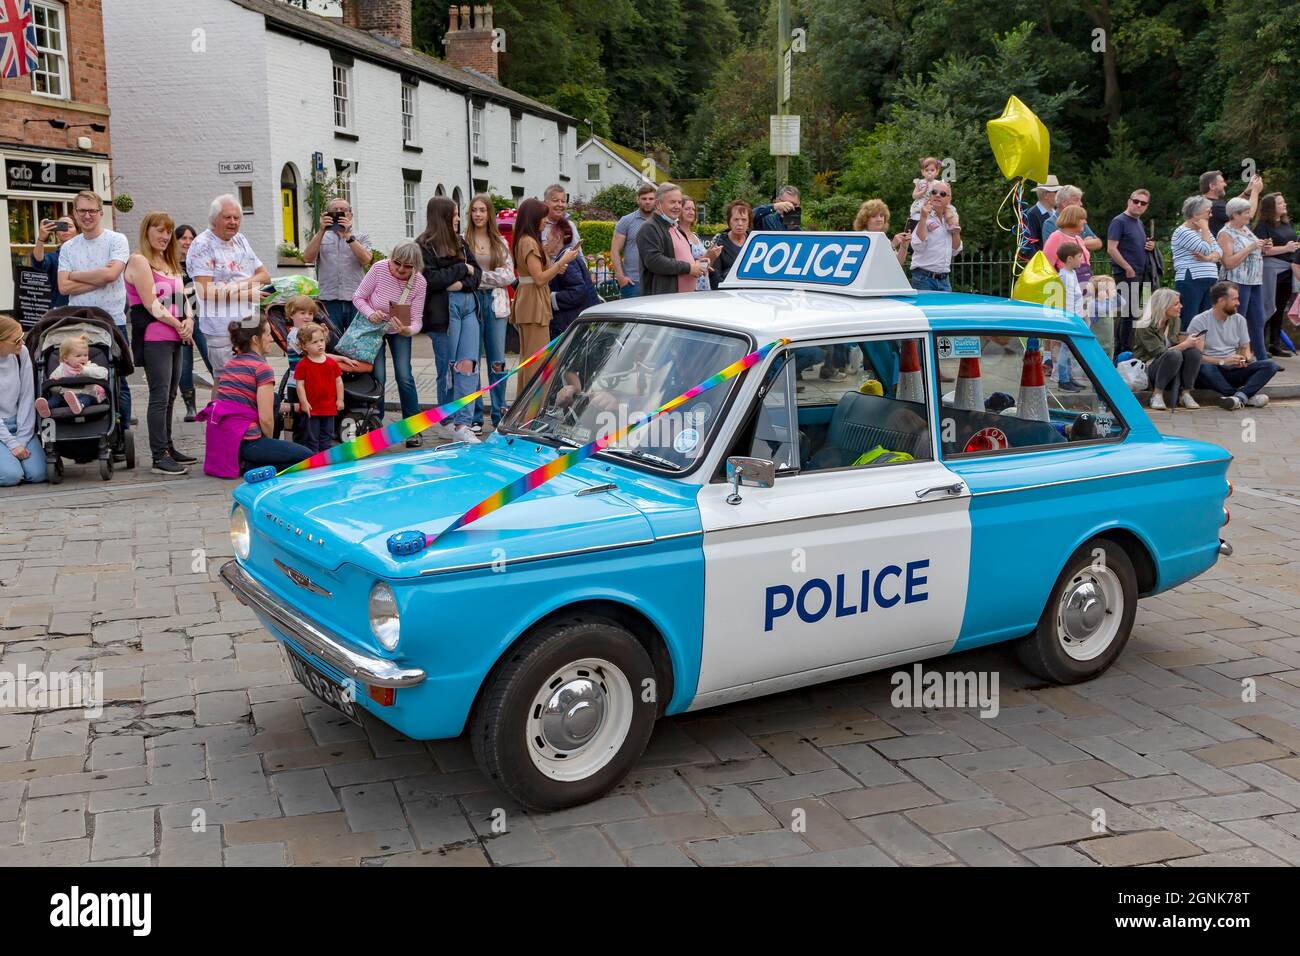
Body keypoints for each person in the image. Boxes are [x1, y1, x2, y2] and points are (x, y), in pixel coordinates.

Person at [124, 211, 195, 475]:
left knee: (171, 395)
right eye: (159, 230)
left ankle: (168, 446)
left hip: (176, 336)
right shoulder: (139, 261)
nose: (165, 236)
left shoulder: (169, 261)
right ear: (147, 231)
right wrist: (178, 324)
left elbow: (183, 297)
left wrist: (189, 319)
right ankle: (159, 455)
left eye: (168, 231)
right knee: (159, 395)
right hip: (156, 338)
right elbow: (150, 303)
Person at [57, 190, 131, 425]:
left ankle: (122, 429)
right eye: (82, 211)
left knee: (117, 377)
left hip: (112, 320)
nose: (87, 216)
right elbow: (63, 286)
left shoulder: (116, 240)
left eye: (92, 211)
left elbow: (111, 275)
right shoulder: (69, 247)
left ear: (101, 212)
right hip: (79, 322)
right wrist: (100, 275)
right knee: (78, 376)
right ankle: (90, 429)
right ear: (75, 214)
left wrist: (75, 276)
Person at [206, 315, 311, 474]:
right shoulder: (261, 368)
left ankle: (245, 461)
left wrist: (294, 407)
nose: (270, 339)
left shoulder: (230, 364)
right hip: (247, 442)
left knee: (274, 398)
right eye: (268, 335)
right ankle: (248, 465)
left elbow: (241, 403)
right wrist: (268, 444)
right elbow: (266, 418)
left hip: (225, 440)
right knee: (307, 458)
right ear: (255, 339)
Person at [417, 196, 483, 444]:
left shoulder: (461, 243)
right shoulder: (423, 246)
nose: (458, 218)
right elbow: (430, 279)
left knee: (468, 366)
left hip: (468, 307)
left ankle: (463, 423)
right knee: (447, 369)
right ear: (443, 217)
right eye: (455, 214)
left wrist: (457, 282)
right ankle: (447, 419)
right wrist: (461, 270)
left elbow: (478, 275)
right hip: (444, 314)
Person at [187, 195, 269, 384]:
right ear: (214, 219)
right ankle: (219, 414)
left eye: (237, 218)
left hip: (248, 322)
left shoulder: (240, 240)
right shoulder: (202, 244)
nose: (233, 222)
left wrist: (235, 287)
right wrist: (247, 292)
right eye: (227, 217)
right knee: (226, 381)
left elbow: (264, 275)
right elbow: (204, 291)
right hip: (221, 328)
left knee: (251, 378)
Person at [352, 240, 427, 443]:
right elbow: (358, 297)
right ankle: (375, 425)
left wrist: (407, 330)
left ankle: (412, 427)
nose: (401, 269)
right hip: (374, 328)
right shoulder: (378, 268)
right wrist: (370, 313)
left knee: (404, 376)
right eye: (397, 263)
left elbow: (418, 319)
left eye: (408, 266)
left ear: (416, 266)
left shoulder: (419, 282)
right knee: (379, 377)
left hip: (399, 331)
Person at [464, 194, 515, 433]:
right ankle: (475, 416)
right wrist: (478, 279)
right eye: (474, 210)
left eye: (482, 210)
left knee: (497, 362)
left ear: (489, 213)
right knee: (471, 361)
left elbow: (508, 275)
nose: (478, 215)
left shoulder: (499, 242)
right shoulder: (463, 240)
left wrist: (479, 277)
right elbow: (460, 274)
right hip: (471, 304)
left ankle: (498, 412)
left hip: (495, 304)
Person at [1185, 281, 1278, 409]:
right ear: (1222, 301)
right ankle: (1243, 397)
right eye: (1235, 299)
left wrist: (1243, 359)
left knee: (1270, 365)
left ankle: (1238, 398)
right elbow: (1196, 357)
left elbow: (1245, 350)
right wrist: (1223, 361)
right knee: (1205, 368)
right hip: (1210, 372)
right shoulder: (1200, 321)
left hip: (1233, 370)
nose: (1238, 303)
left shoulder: (1239, 320)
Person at [511, 197, 580, 358]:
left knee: (530, 357)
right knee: (536, 359)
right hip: (533, 303)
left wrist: (556, 268)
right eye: (543, 217)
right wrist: (562, 261)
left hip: (531, 300)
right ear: (534, 218)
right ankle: (534, 385)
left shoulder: (526, 240)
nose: (546, 221)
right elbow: (539, 278)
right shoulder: (528, 242)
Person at [302, 198, 373, 331]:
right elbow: (307, 258)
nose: (339, 213)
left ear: (350, 215)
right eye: (335, 210)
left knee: (356, 344)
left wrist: (348, 236)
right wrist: (321, 231)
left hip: (356, 299)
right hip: (329, 299)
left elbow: (366, 260)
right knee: (333, 341)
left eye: (343, 210)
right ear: (327, 214)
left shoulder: (362, 236)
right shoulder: (320, 236)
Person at [1132, 288, 1202, 410]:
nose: (1181, 306)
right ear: (1163, 306)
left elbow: (1173, 344)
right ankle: (1157, 394)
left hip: (1170, 364)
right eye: (1176, 304)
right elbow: (1159, 352)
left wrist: (1189, 343)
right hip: (1149, 367)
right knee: (1174, 354)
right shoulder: (1144, 325)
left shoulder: (1175, 320)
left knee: (1194, 353)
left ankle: (1186, 394)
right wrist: (1185, 344)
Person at [1217, 197, 1268, 363]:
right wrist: (1251, 247)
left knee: (1257, 320)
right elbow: (1228, 262)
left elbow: (1253, 252)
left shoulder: (1245, 229)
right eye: (1246, 213)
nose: (1249, 216)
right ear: (1235, 214)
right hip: (1237, 282)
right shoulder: (1226, 233)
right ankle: (1236, 357)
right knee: (1238, 320)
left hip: (1254, 281)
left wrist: (1263, 248)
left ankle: (1262, 358)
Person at [636, 183, 708, 296]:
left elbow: (681, 258)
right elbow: (654, 261)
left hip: (684, 299)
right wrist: (689, 268)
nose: (677, 206)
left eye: (679, 202)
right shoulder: (649, 228)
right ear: (659, 204)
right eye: (672, 202)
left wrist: (697, 264)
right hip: (663, 301)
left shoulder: (675, 227)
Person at [0, 315, 45, 486]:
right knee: (11, 476)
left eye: (22, 337)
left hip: (17, 423)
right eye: (16, 340)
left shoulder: (21, 354)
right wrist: (12, 444)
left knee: (39, 474)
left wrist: (22, 440)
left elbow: (27, 396)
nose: (22, 343)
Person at [1107, 189, 1156, 342]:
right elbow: (1111, 248)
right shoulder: (1119, 221)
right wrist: (1126, 267)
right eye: (1136, 201)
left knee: (1136, 311)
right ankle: (1123, 348)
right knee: (1128, 312)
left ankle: (1130, 345)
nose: (1139, 205)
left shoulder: (1139, 222)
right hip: (1126, 273)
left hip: (1141, 272)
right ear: (1129, 201)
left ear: (1147, 206)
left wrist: (1150, 246)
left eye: (1143, 203)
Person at [1254, 192, 1300, 357]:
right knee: (1267, 305)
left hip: (1288, 269)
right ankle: (1261, 345)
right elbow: (1262, 251)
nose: (1284, 205)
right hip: (1271, 270)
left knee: (1280, 308)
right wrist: (1286, 248)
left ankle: (1275, 343)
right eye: (1280, 203)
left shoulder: (1286, 224)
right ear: (1271, 207)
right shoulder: (1262, 226)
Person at [174, 224, 211, 422]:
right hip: (179, 319)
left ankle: (221, 400)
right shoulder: (169, 264)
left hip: (201, 316)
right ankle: (190, 407)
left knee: (210, 357)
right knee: (184, 364)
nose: (187, 242)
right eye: (183, 238)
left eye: (191, 238)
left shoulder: (199, 263)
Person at [1171, 196, 1222, 326]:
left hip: (1209, 279)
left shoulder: (1204, 232)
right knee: (1190, 318)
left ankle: (1201, 346)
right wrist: (1205, 229)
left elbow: (1219, 252)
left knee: (1206, 320)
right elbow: (1205, 248)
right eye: (1208, 212)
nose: (1210, 215)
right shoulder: (1183, 232)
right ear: (1195, 214)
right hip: (1191, 280)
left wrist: (1207, 258)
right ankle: (1186, 345)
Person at [548, 217, 602, 338]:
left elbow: (578, 291)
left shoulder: (568, 261)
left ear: (557, 238)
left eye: (549, 237)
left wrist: (551, 298)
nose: (546, 240)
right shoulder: (566, 257)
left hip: (569, 322)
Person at [293, 324, 343, 454]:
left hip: (329, 407)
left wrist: (340, 400)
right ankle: (313, 456)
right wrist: (303, 402)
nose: (320, 344)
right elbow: (300, 385)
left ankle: (325, 456)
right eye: (314, 342)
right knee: (312, 436)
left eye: (321, 340)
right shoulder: (302, 365)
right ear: (304, 346)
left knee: (327, 434)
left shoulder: (332, 363)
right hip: (312, 408)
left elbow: (339, 381)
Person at [35, 335, 107, 417]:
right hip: (66, 397)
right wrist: (56, 382)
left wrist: (86, 371)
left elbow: (104, 373)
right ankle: (46, 407)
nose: (83, 358)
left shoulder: (90, 366)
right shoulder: (61, 369)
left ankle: (80, 405)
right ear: (66, 358)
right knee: (56, 397)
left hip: (88, 394)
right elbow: (52, 387)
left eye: (85, 355)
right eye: (78, 356)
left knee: (87, 398)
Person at [909, 182, 962, 291]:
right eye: (934, 192)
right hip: (923, 278)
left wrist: (955, 229)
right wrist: (923, 218)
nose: (937, 195)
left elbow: (955, 250)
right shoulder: (921, 214)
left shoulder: (951, 218)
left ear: (948, 199)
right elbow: (917, 246)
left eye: (942, 194)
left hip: (944, 280)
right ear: (930, 196)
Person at [612, 183, 657, 298]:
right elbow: (615, 251)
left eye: (651, 199)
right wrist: (621, 277)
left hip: (657, 282)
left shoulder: (661, 222)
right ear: (638, 200)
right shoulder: (626, 221)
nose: (647, 202)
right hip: (633, 283)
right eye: (644, 199)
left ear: (656, 201)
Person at [1053, 241, 1087, 391]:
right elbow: (1066, 299)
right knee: (1065, 350)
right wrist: (1070, 318)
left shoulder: (1071, 273)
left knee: (1069, 349)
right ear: (1069, 259)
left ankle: (1069, 377)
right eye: (1079, 257)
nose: (1082, 260)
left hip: (1075, 316)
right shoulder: (1065, 276)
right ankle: (1063, 380)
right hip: (1069, 318)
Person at [1201, 169, 1263, 236]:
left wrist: (1247, 191)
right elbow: (1249, 214)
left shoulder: (1210, 202)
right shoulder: (1214, 206)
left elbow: (1233, 204)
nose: (1225, 184)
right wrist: (1255, 192)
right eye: (1222, 182)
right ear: (1212, 186)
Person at [1041, 185, 1103, 253]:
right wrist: (1084, 242)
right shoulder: (1050, 223)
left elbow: (1098, 243)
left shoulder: (1079, 220)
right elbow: (1055, 251)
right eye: (1077, 200)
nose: (1081, 204)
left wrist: (1079, 243)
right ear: (1065, 203)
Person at [32, 216, 75, 310]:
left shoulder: (86, 255)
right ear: (56, 234)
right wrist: (41, 239)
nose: (65, 229)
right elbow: (39, 263)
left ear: (78, 231)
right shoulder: (53, 257)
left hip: (84, 307)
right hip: (60, 309)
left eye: (70, 226)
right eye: (61, 226)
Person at [1042, 205, 1094, 283]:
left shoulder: (1078, 239)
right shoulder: (1056, 237)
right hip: (1066, 286)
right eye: (1082, 219)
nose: (1085, 222)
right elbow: (1047, 267)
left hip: (1084, 287)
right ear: (1073, 219)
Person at [853, 199, 911, 267]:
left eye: (881, 216)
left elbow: (897, 264)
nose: (879, 219)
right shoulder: (862, 237)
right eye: (874, 216)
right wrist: (892, 245)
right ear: (865, 219)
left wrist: (904, 246)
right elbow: (872, 262)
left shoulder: (883, 237)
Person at [680, 197, 720, 292]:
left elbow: (705, 266)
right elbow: (684, 265)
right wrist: (707, 256)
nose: (691, 212)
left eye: (693, 209)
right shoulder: (678, 234)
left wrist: (712, 256)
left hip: (704, 286)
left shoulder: (695, 235)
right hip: (690, 288)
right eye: (687, 209)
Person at [710, 199, 752, 289]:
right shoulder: (719, 243)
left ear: (749, 222)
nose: (740, 224)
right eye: (736, 219)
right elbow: (714, 277)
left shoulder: (755, 242)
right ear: (729, 221)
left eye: (744, 220)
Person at [1023, 177, 1060, 252]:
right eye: (1056, 192)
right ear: (1046, 195)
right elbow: (1029, 242)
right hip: (1043, 261)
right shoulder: (1032, 214)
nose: (1059, 195)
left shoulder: (1055, 213)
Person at [541, 184, 581, 252]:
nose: (560, 204)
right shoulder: (538, 225)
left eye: (563, 201)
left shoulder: (570, 226)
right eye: (555, 200)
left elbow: (578, 253)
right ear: (545, 203)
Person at [907, 158, 942, 230]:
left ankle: (931, 223)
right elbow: (914, 196)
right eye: (926, 170)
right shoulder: (919, 182)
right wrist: (922, 192)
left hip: (932, 202)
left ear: (937, 172)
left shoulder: (938, 183)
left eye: (932, 170)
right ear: (922, 172)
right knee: (921, 213)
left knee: (932, 211)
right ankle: (928, 223)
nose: (929, 172)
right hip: (921, 202)